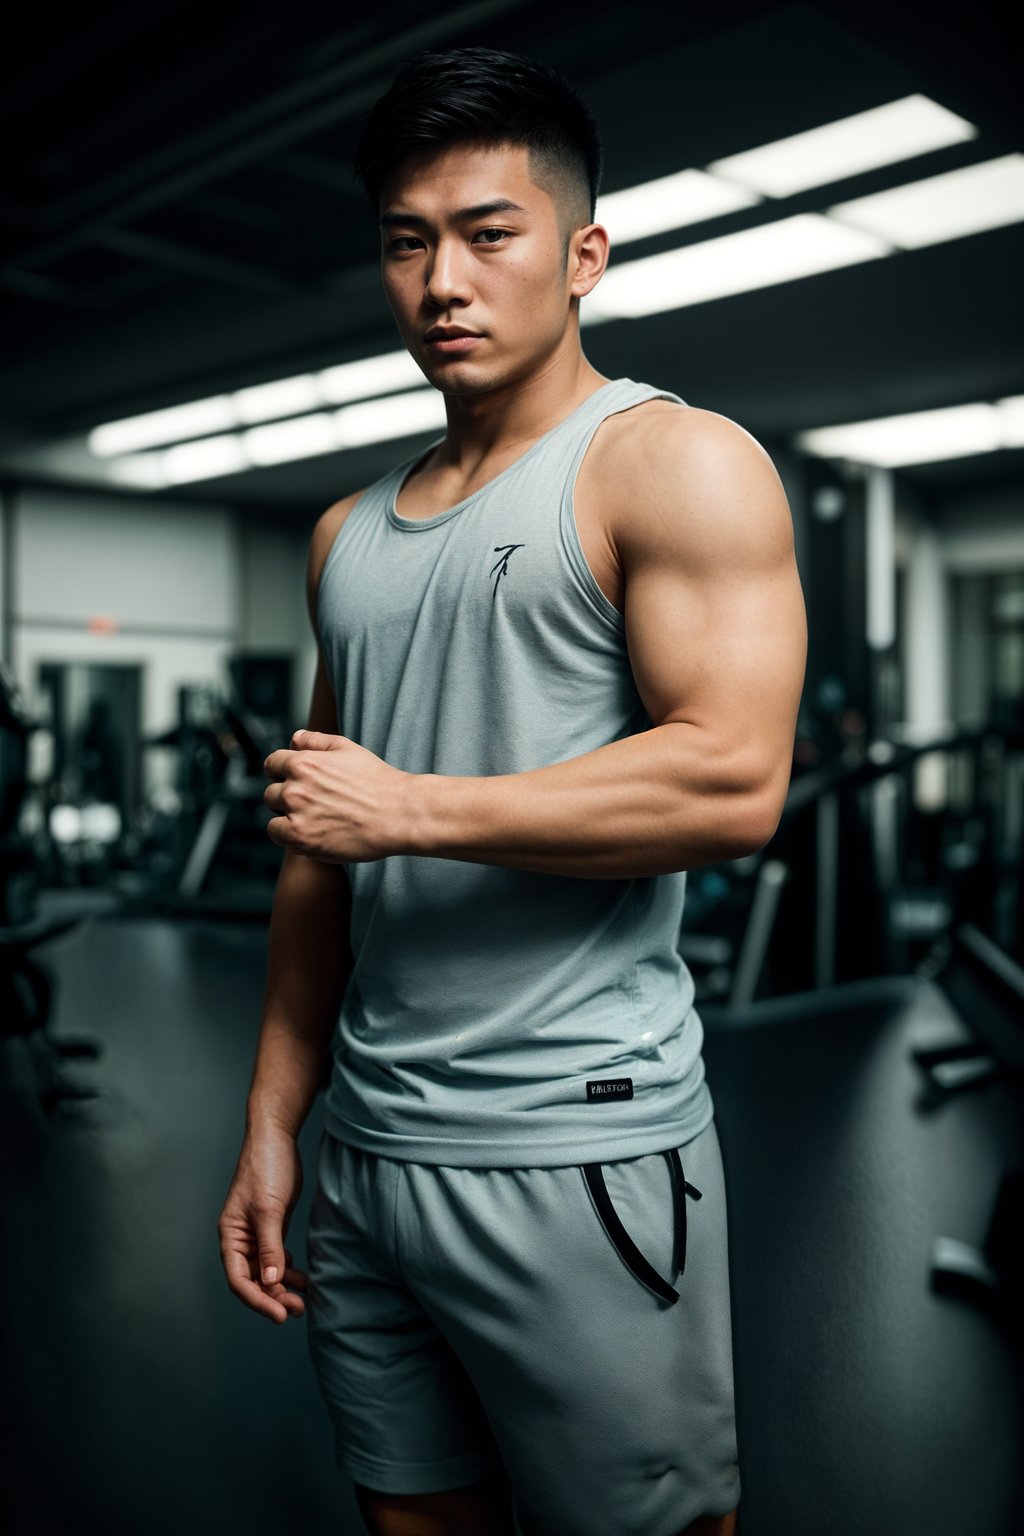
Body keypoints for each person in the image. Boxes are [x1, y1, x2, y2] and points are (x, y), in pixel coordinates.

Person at [217, 45, 807, 1536]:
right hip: (365, 1156)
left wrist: (411, 808)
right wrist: (276, 1121)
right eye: (408, 242)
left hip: (576, 1150)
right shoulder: (345, 533)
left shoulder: (670, 465)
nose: (443, 282)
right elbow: (316, 848)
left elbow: (731, 781)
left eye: (490, 234)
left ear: (582, 251)